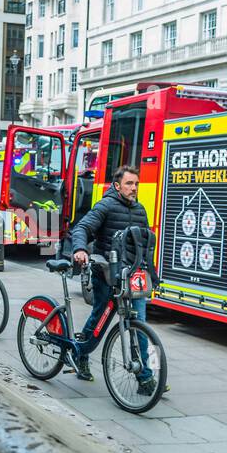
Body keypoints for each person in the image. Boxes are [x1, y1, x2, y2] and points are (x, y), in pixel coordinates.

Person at [70, 165, 154, 391]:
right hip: (106, 275)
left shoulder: (140, 210)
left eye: (136, 184)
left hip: (131, 276)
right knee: (99, 322)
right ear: (117, 186)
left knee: (139, 325)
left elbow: (143, 243)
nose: (134, 188)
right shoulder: (105, 205)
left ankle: (144, 377)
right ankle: (81, 352)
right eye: (129, 183)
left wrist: (148, 269)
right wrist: (80, 249)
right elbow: (82, 228)